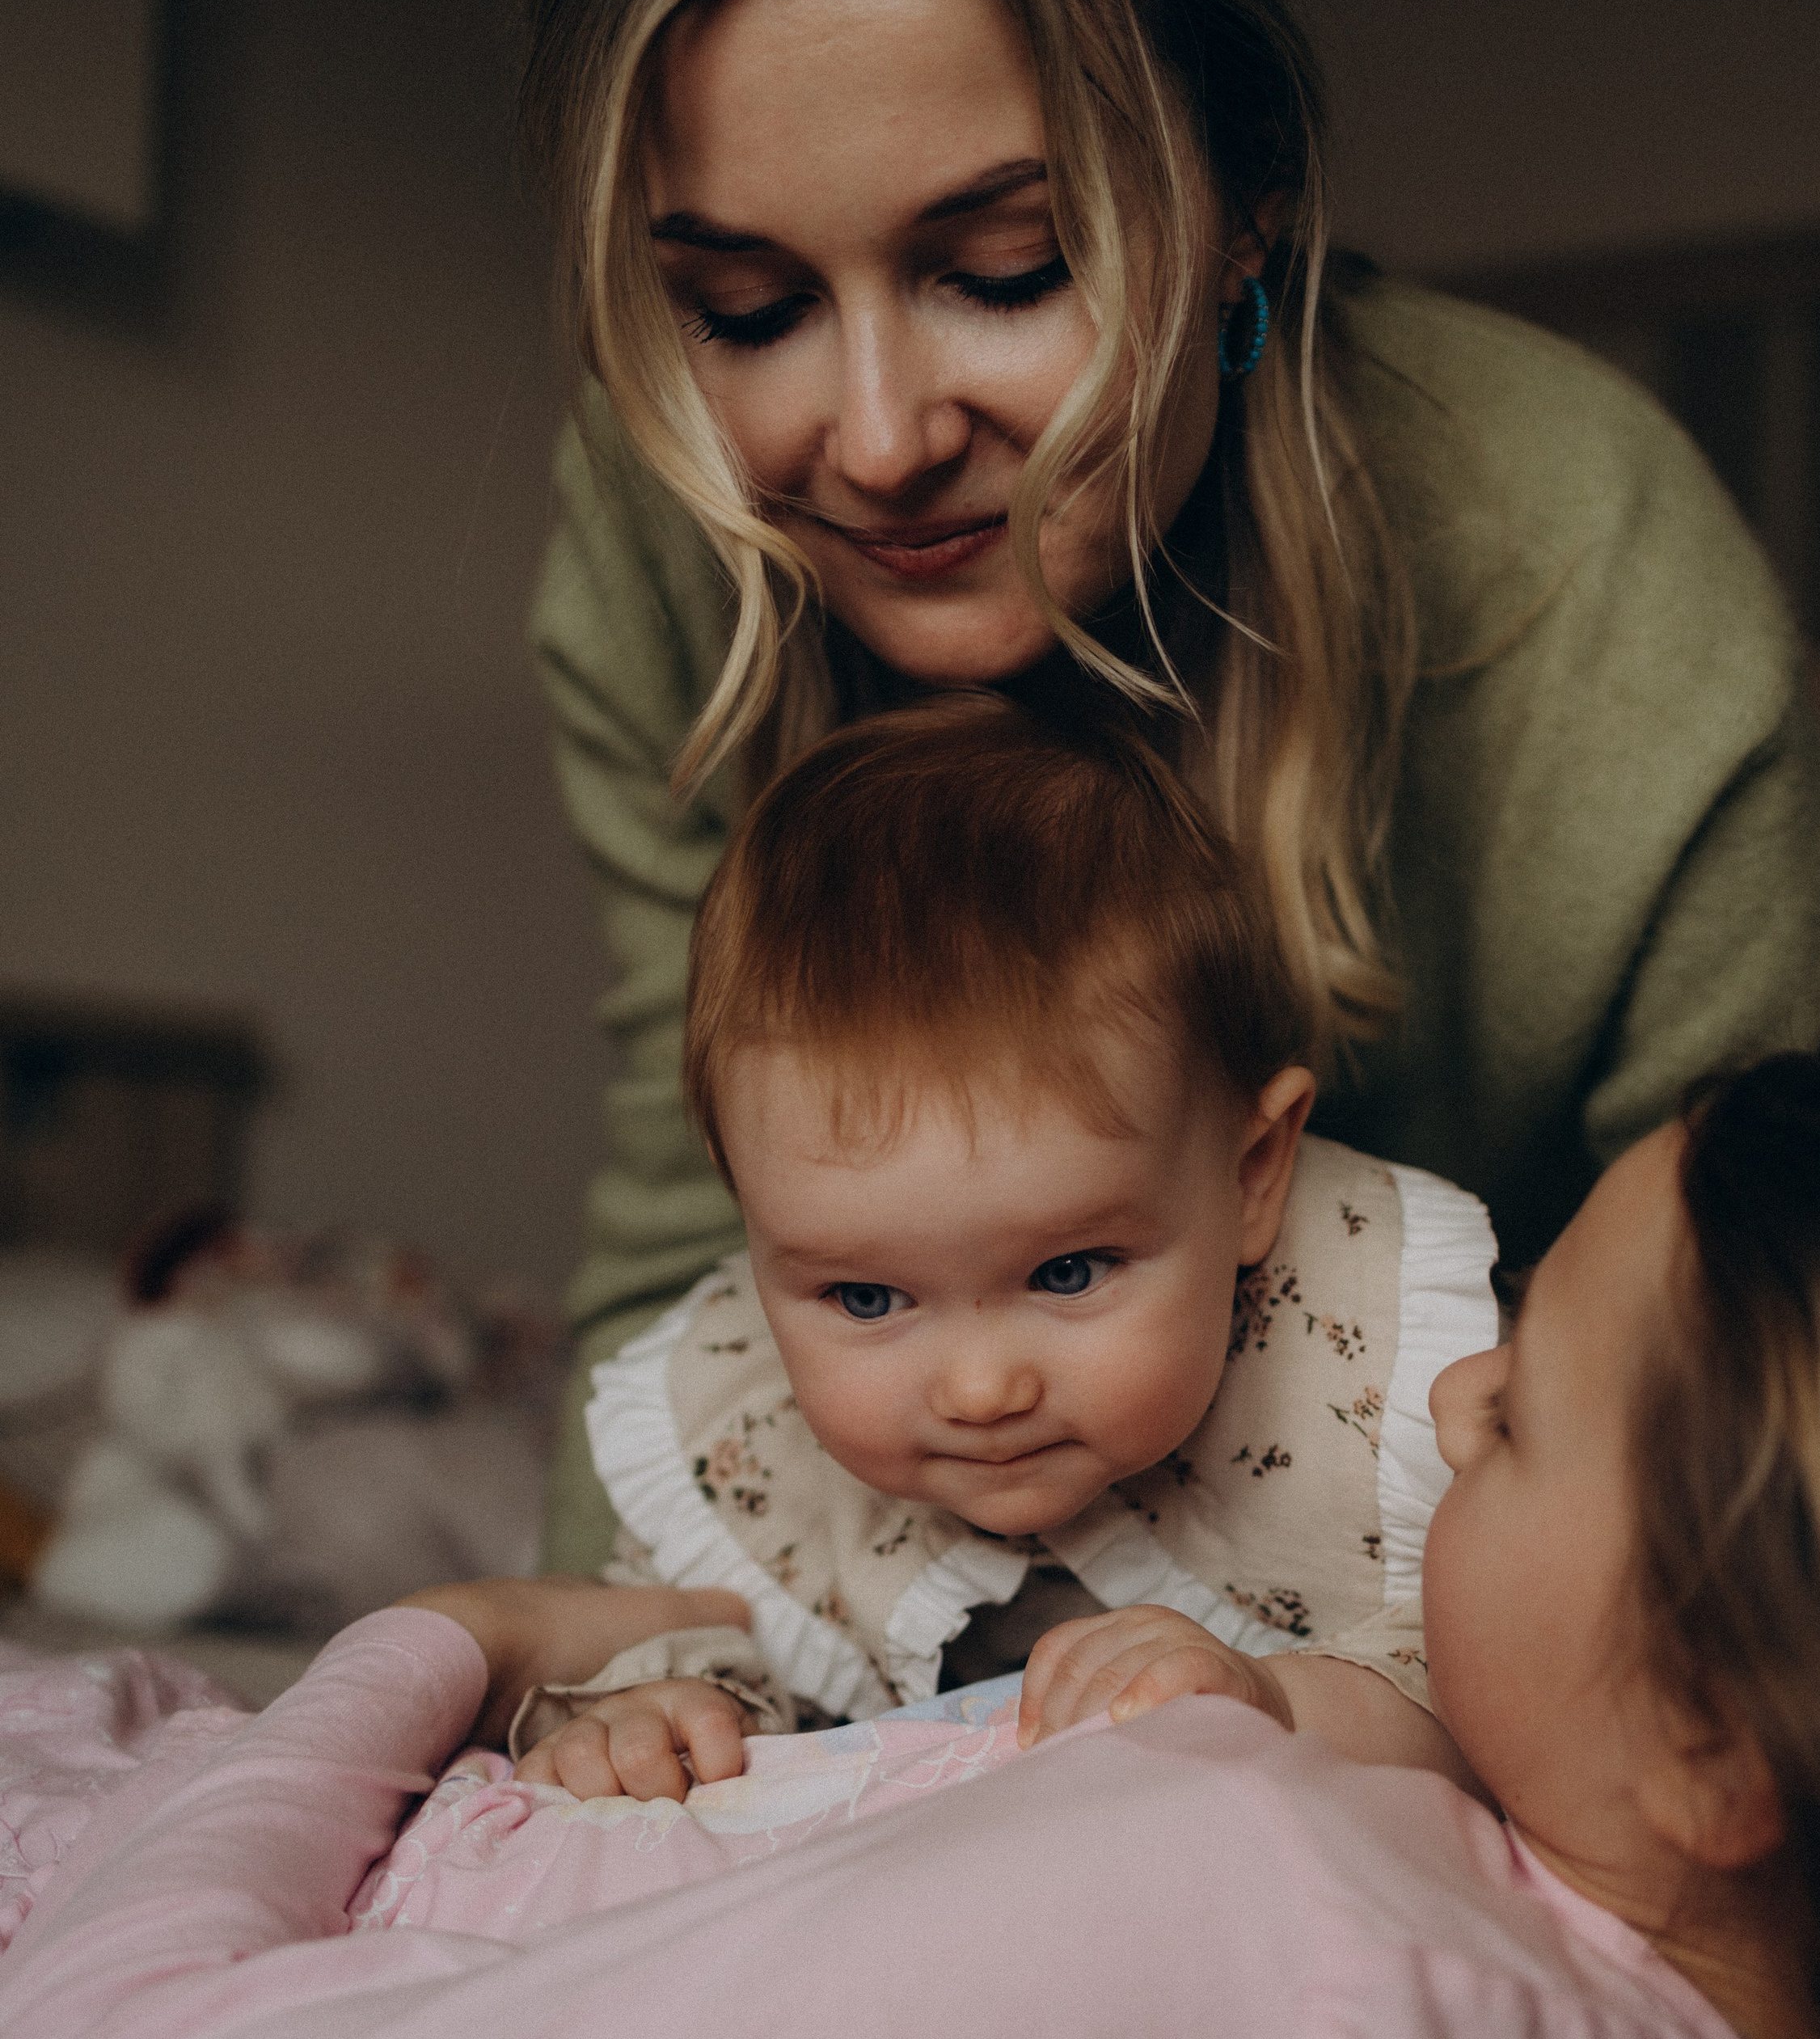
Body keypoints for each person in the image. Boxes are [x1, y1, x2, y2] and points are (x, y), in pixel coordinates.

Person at [2, 1023, 1820, 2039]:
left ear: (1720, 1752)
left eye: (1519, 1417)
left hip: (129, 1879)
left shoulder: (1246, 1948)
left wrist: (420, 1648)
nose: (1443, 1405)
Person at [519, 0, 1820, 1572]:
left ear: (1245, 193)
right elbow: (682, 1262)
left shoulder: (1573, 548)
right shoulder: (662, 524)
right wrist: (591, 1706)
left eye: (1008, 271)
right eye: (746, 309)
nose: (871, 440)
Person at [513, 698, 1498, 1800]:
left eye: (1067, 1272)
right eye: (868, 1298)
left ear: (1252, 1174)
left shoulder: (1396, 1390)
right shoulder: (742, 1429)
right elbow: (688, 1640)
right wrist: (652, 1716)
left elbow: (1527, 1705)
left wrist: (1280, 1700)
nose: (980, 1391)